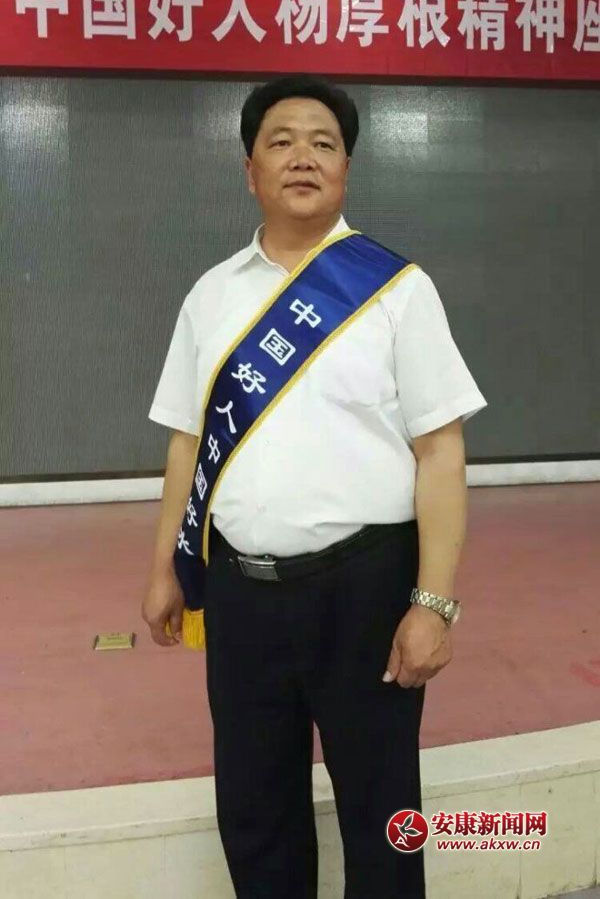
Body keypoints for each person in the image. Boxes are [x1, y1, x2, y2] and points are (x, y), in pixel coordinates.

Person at [141, 74, 487, 898]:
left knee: (381, 808)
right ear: (250, 169)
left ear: (346, 169)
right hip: (241, 594)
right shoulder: (211, 295)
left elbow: (441, 452)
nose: (303, 156)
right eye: (282, 141)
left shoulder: (397, 289)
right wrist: (164, 568)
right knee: (255, 808)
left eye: (323, 143)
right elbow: (188, 442)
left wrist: (433, 604)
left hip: (365, 590)